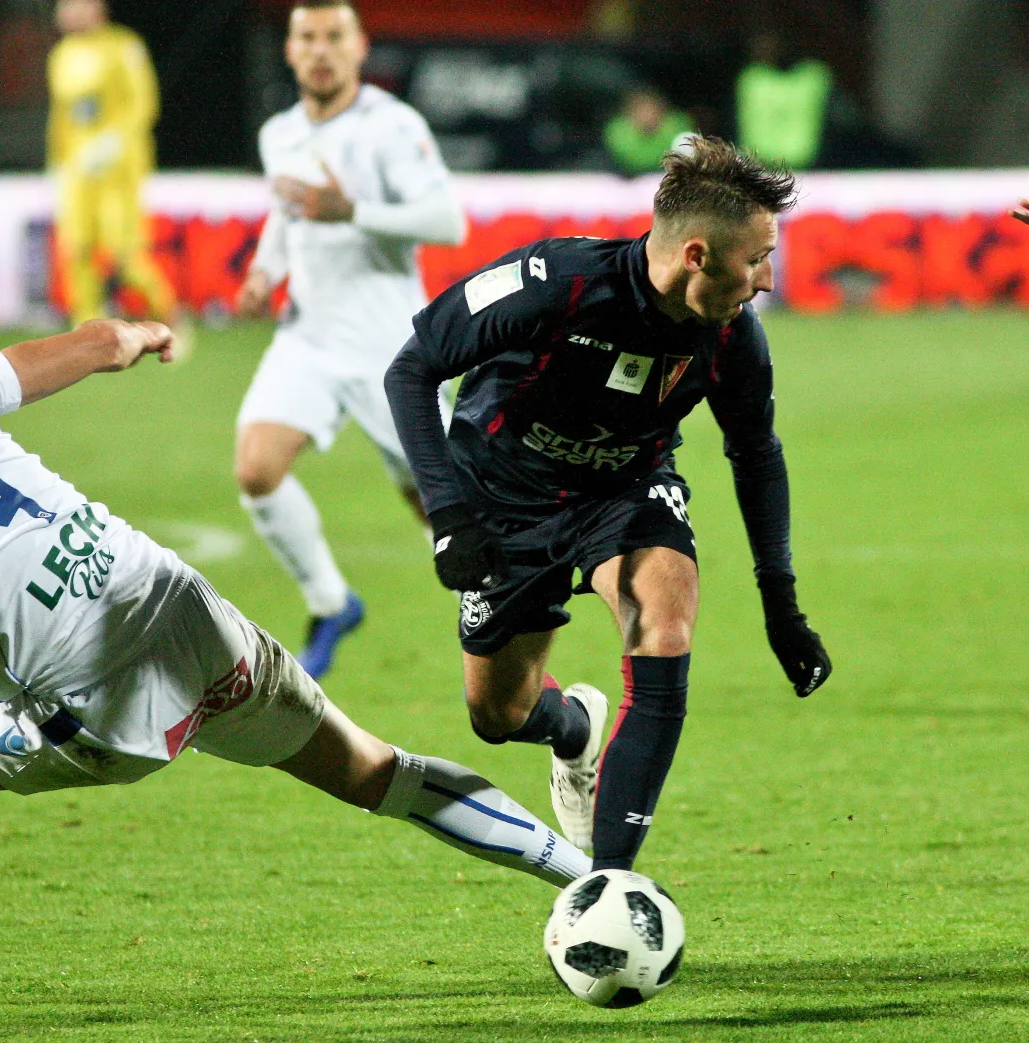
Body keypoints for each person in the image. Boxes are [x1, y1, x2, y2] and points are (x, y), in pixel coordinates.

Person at [0, 319, 591, 1032]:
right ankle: (590, 878)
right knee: (374, 771)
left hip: (94, 712)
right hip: (185, 615)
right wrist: (142, 335)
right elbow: (97, 342)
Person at [384, 137, 832, 873]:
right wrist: (449, 517)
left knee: (665, 622)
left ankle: (611, 882)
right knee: (497, 714)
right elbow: (412, 370)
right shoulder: (552, 282)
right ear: (696, 255)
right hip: (504, 497)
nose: (768, 280)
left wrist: (781, 603)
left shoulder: (730, 337)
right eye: (756, 259)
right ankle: (572, 730)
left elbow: (756, 452)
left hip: (624, 490)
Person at [233, 0, 467, 679]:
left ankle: (500, 626)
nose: (320, 50)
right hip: (307, 337)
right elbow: (287, 215)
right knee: (257, 469)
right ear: (289, 50)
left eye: (334, 36)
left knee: (445, 509)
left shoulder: (392, 126)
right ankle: (331, 603)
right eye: (307, 37)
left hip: (389, 348)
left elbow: (447, 222)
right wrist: (264, 272)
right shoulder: (280, 133)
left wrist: (352, 210)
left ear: (359, 47)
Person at [47, 0, 177, 326]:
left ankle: (167, 316)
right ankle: (87, 328)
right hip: (78, 167)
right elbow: (61, 114)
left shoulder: (124, 46)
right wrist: (56, 160)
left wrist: (114, 142)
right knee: (77, 249)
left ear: (97, 7)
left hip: (118, 168)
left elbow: (144, 102)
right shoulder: (60, 55)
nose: (66, 12)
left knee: (124, 255)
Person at [735, 34, 832, 171]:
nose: (766, 49)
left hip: (807, 167)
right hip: (758, 165)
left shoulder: (814, 77)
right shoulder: (751, 79)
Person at [604, 87, 695, 177]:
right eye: (640, 110)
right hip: (627, 178)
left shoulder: (678, 127)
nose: (647, 114)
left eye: (651, 109)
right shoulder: (617, 131)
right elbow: (632, 161)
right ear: (630, 112)